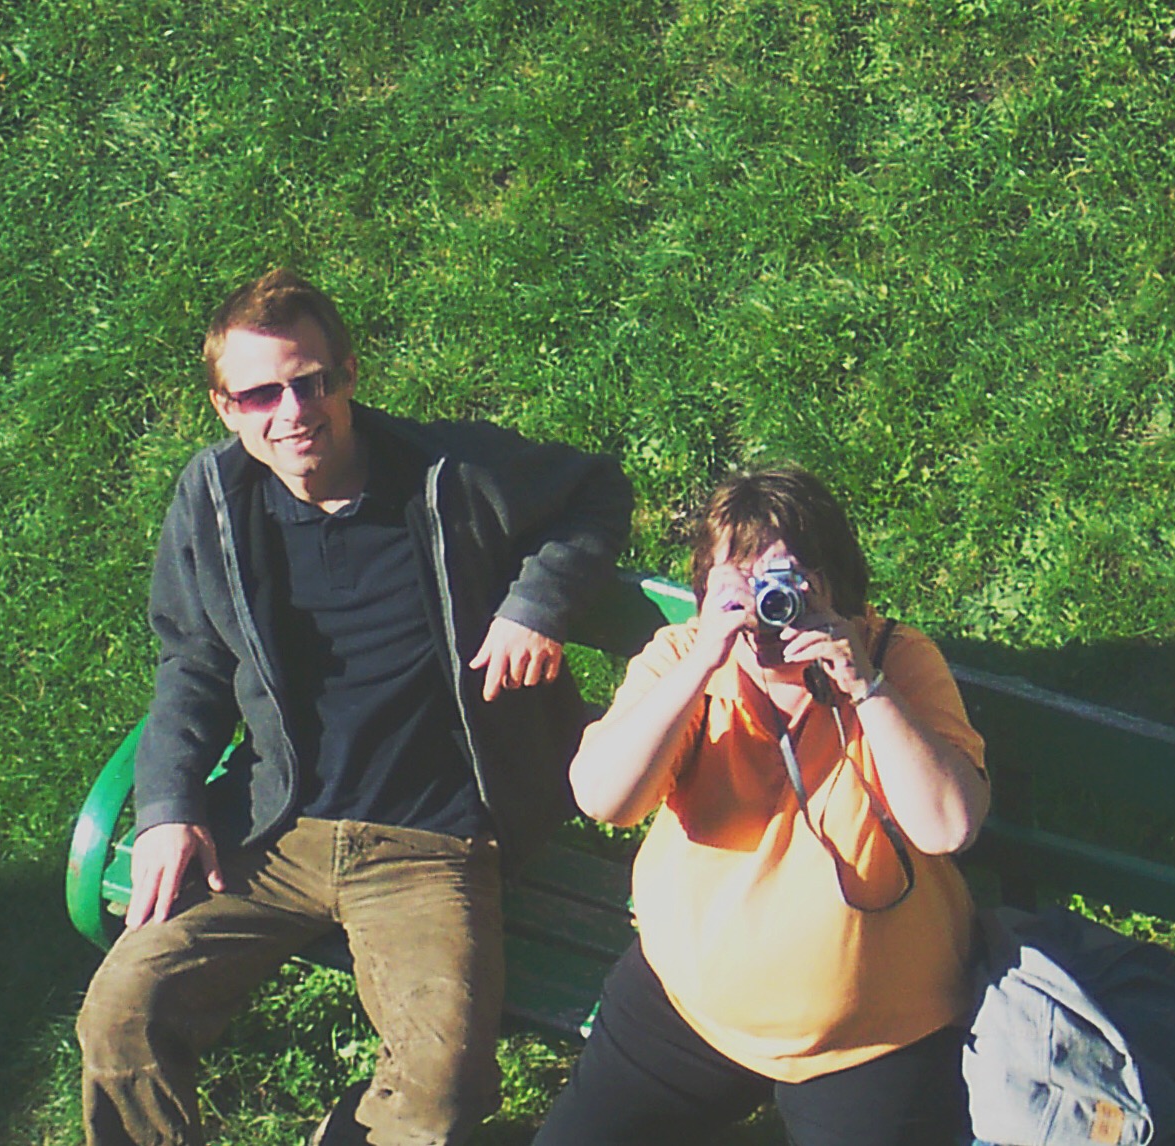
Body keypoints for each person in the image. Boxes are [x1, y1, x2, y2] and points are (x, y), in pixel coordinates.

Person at [76, 269, 633, 1146]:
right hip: (272, 826)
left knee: (442, 1086)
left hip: (429, 841)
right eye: (261, 395)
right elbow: (191, 663)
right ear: (225, 408)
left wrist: (535, 605)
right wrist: (170, 807)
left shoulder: (448, 472)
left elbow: (596, 491)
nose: (292, 412)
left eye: (310, 382)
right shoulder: (214, 498)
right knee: (121, 1016)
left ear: (347, 375)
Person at [533, 466, 990, 1146]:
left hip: (869, 1036)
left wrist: (865, 688)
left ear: (833, 583)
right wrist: (704, 661)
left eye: (786, 581)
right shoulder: (683, 657)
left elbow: (948, 826)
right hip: (685, 1005)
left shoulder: (895, 658)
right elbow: (605, 799)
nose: (767, 607)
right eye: (741, 581)